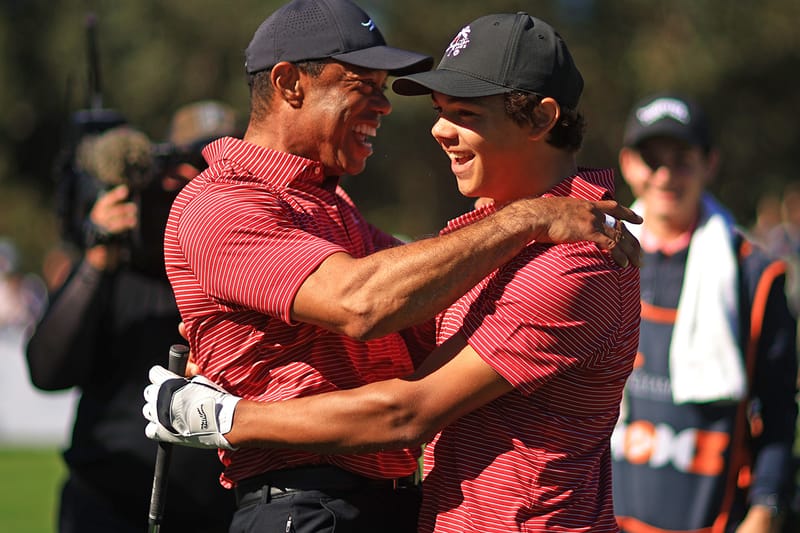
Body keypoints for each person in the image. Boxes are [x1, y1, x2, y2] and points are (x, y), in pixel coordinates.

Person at [144, 10, 641, 532]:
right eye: (365, 85)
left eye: (465, 113)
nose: (431, 126)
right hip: (304, 505)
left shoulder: (574, 249)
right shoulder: (223, 203)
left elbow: (406, 391)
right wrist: (530, 215)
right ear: (288, 83)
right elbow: (365, 303)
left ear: (541, 119)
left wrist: (228, 417)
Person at [25, 100, 239, 533]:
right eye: (186, 167)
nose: (197, 184)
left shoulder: (243, 262)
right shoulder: (118, 262)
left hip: (213, 512)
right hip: (105, 504)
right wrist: (99, 251)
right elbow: (47, 371)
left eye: (214, 167)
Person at [610, 92, 798, 532]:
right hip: (604, 516)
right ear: (627, 164)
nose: (665, 175)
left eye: (682, 159)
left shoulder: (755, 275)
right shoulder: (595, 260)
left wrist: (766, 508)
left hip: (713, 516)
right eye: (651, 159)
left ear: (709, 163)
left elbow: (778, 408)